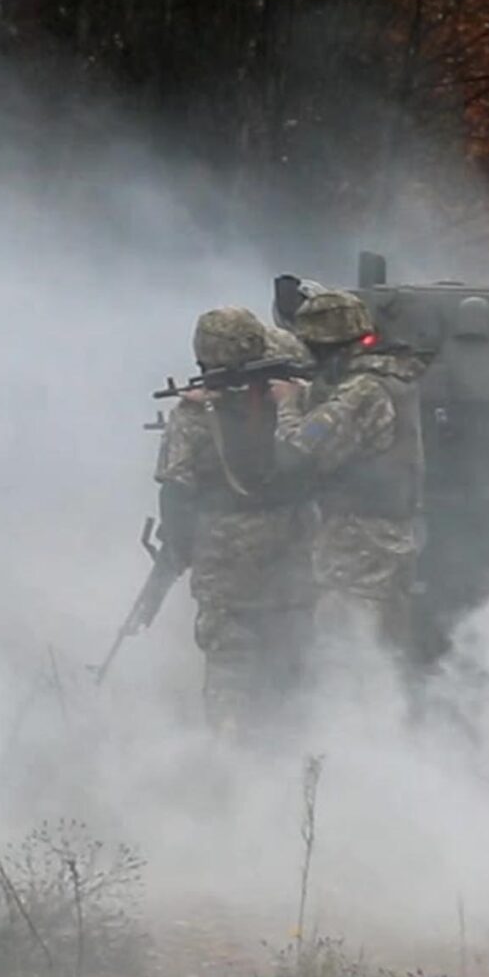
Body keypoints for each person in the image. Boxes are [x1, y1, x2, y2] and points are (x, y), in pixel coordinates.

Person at [154, 307, 316, 738]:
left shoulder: (193, 415)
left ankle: (230, 750)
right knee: (288, 647)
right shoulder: (291, 395)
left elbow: (175, 489)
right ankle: (292, 748)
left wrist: (178, 549)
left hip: (224, 552)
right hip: (291, 543)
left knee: (228, 658)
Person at [269, 287, 426, 666]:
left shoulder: (362, 390)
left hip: (358, 543)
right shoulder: (391, 378)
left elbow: (298, 453)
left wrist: (287, 405)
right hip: (387, 537)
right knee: (383, 651)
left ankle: (351, 724)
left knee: (347, 652)